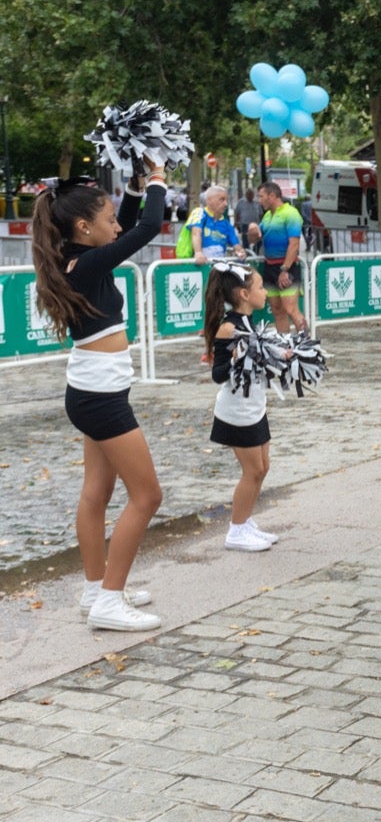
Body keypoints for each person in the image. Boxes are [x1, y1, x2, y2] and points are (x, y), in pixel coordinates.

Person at [31, 166, 168, 632]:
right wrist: (157, 178)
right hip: (101, 397)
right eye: (108, 220)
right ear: (84, 228)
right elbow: (148, 228)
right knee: (147, 495)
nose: (117, 227)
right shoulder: (85, 266)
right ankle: (110, 600)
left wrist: (131, 186)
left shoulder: (80, 256)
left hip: (92, 391)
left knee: (98, 493)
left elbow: (124, 225)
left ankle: (96, 590)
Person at [202, 262, 280, 553]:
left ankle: (244, 520)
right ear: (245, 294)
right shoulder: (228, 328)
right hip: (236, 410)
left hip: (255, 405)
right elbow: (218, 374)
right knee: (252, 471)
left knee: (263, 467)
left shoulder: (249, 324)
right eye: (260, 287)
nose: (264, 291)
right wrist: (236, 358)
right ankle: (235, 531)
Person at [254, 182, 306, 333]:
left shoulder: (291, 213)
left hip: (286, 267)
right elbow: (256, 237)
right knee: (277, 310)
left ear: (272, 196)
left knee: (291, 310)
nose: (259, 200)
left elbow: (294, 244)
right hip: (269, 267)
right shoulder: (268, 216)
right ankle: (285, 345)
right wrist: (252, 231)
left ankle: (308, 345)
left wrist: (285, 269)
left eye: (261, 196)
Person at [185, 186, 241, 262]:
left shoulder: (226, 223)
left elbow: (236, 244)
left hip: (218, 268)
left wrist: (240, 252)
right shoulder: (199, 213)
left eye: (226, 200)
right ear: (209, 200)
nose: (225, 204)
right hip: (199, 266)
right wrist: (198, 252)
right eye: (222, 200)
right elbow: (196, 233)